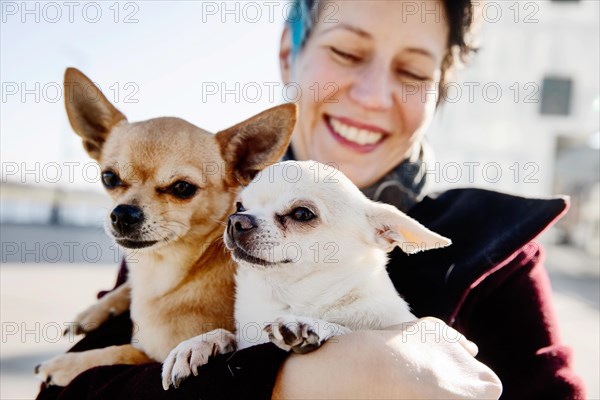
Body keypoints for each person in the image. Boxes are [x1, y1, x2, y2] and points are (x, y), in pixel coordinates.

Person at [37, 1, 585, 399]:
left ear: (441, 90)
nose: (371, 96)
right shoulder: (203, 218)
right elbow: (66, 389)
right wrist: (311, 377)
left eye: (413, 71)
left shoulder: (498, 244)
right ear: (287, 54)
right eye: (346, 52)